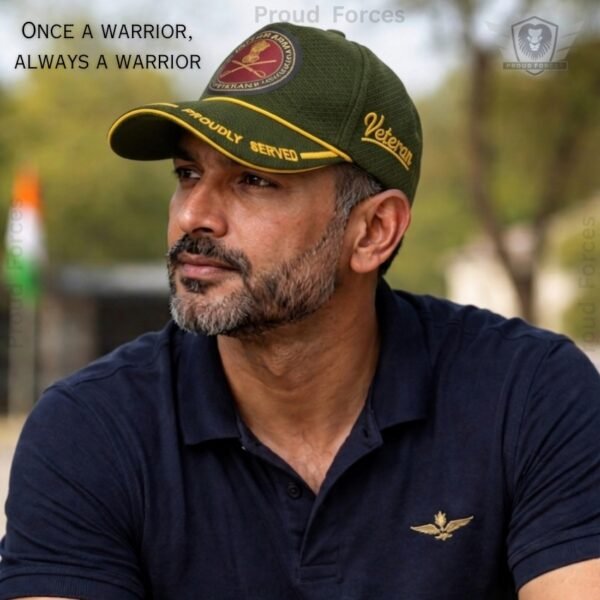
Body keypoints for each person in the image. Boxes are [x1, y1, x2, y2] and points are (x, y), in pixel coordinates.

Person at [0, 22, 598, 600]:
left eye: (254, 180)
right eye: (188, 173)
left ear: (374, 231)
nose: (192, 215)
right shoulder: (92, 431)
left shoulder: (528, 397)